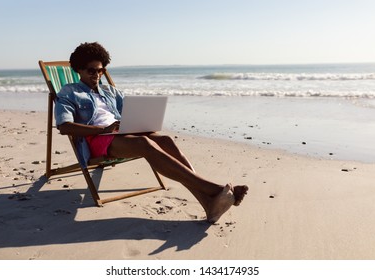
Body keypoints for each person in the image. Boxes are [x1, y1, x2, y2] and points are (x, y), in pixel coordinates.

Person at [54, 42, 248, 223]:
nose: (97, 75)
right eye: (91, 71)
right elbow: (64, 127)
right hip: (97, 139)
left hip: (122, 132)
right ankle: (214, 189)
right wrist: (102, 129)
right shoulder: (69, 92)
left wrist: (142, 122)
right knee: (145, 144)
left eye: (101, 70)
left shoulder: (110, 91)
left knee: (165, 140)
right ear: (78, 69)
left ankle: (208, 204)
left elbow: (132, 112)